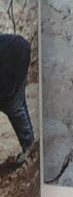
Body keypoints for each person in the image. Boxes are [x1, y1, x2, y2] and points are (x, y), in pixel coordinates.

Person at [0, 34, 34, 166]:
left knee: (13, 107)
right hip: (14, 56)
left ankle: (28, 146)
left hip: (17, 56)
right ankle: (29, 140)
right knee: (17, 103)